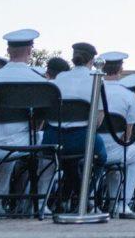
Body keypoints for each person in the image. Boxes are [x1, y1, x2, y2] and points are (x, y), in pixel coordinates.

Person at [0, 28, 45, 212]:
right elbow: (38, 122)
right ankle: (35, 203)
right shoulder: (38, 81)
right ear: (30, 50)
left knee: (9, 145)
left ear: (8, 51)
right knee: (45, 143)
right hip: (20, 142)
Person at [39, 42, 107, 209]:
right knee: (102, 156)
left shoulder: (56, 81)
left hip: (52, 139)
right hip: (81, 139)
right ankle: (84, 194)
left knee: (67, 160)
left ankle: (52, 198)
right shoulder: (96, 81)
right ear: (92, 60)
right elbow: (97, 122)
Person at [97, 51, 135, 213]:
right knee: (134, 154)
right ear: (121, 69)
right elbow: (128, 135)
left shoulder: (93, 89)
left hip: (91, 148)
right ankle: (122, 203)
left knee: (106, 164)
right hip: (114, 149)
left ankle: (90, 202)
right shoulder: (128, 96)